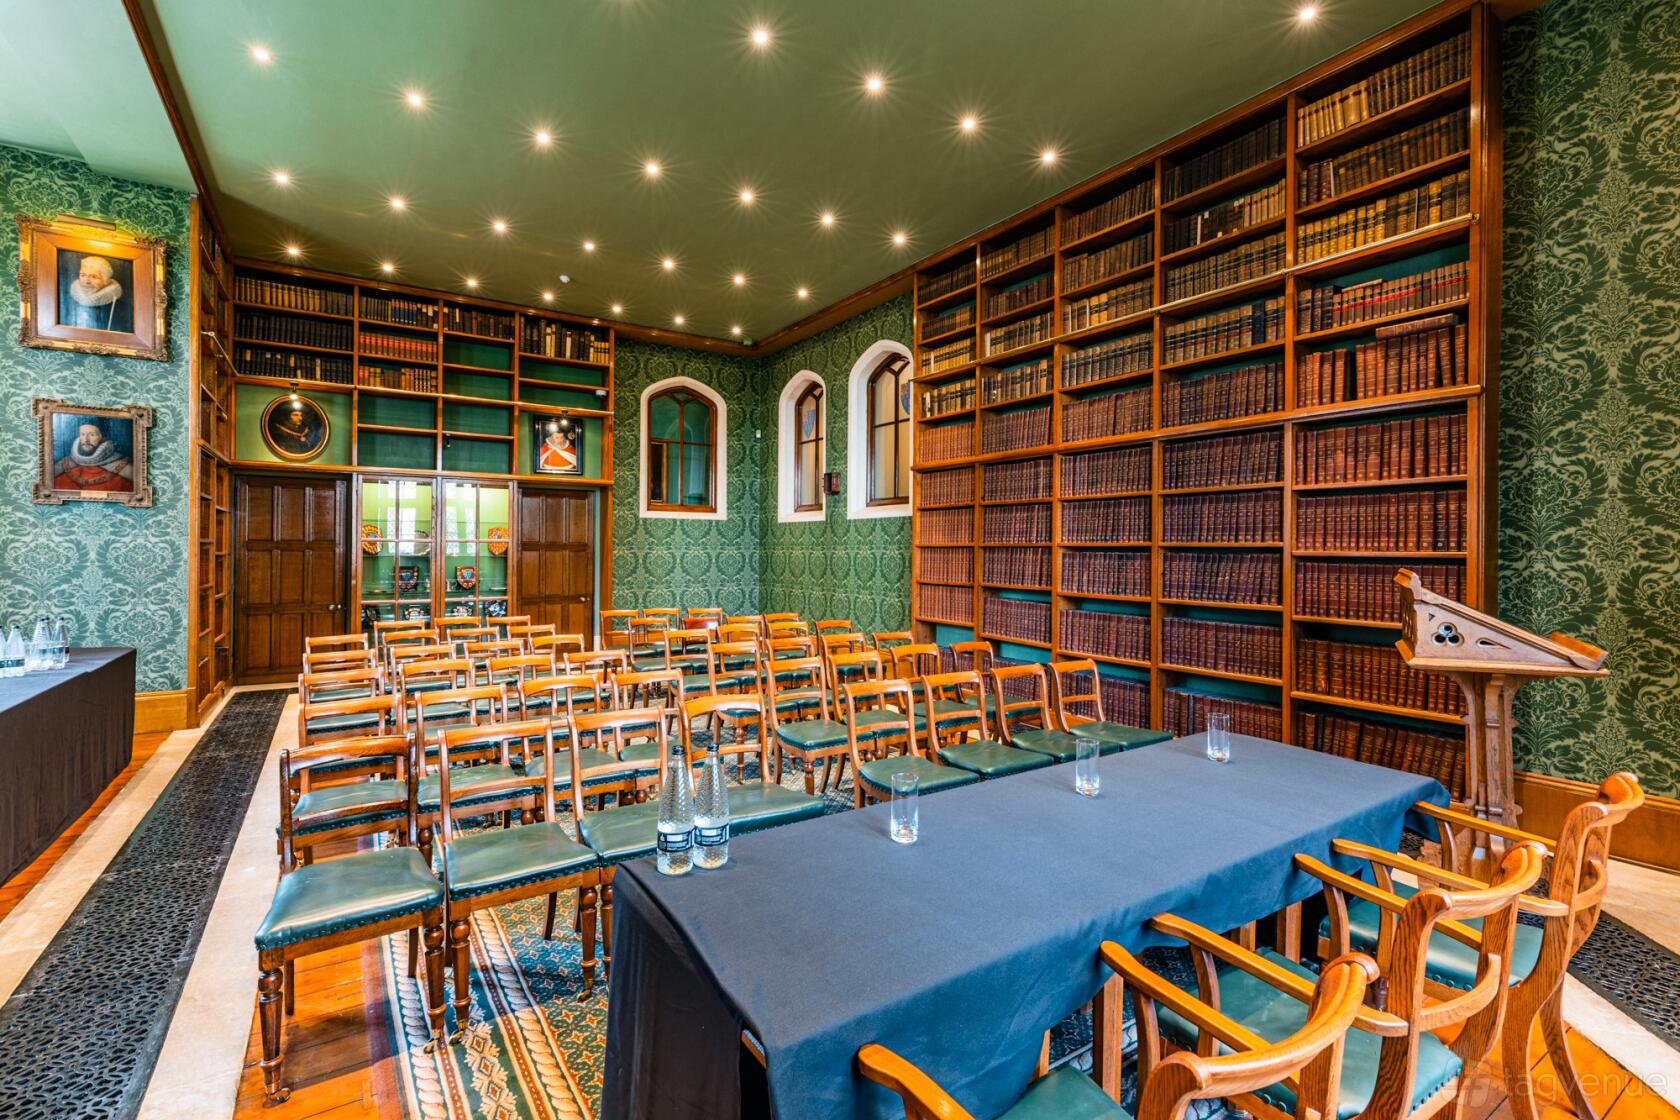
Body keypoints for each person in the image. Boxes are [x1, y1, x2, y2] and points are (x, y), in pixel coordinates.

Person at [53, 421, 134, 492]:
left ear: (102, 438)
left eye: (92, 435)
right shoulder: (63, 465)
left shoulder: (123, 469)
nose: (86, 439)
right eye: (82, 434)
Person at [63, 255, 131, 332]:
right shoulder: (65, 298)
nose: (86, 281)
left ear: (106, 281)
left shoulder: (122, 308)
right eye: (83, 275)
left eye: (94, 277)